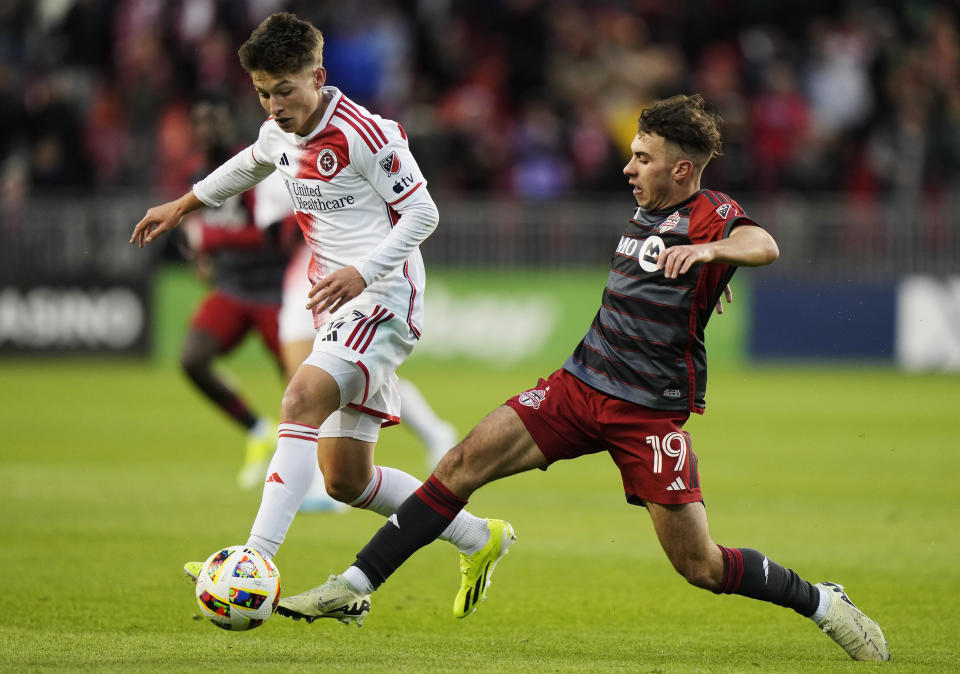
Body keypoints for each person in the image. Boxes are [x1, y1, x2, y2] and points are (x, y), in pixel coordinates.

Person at [276, 95, 890, 663]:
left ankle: (821, 601)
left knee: (699, 564)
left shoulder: (711, 214)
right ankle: (354, 586)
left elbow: (764, 244)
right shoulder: (650, 207)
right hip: (576, 386)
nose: (629, 168)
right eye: (632, 154)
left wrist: (713, 254)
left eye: (643, 158)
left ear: (682, 171)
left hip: (646, 413)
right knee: (461, 463)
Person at [130, 11, 511, 622]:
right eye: (262, 91)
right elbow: (252, 161)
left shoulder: (366, 133)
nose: (274, 104)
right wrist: (184, 204)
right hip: (339, 294)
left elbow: (424, 215)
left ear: (318, 76)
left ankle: (252, 562)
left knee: (299, 399)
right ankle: (478, 537)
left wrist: (362, 272)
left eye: (285, 89)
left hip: (384, 296)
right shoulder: (278, 131)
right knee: (346, 480)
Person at [175, 95, 297, 489]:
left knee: (300, 384)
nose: (208, 128)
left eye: (215, 119)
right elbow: (198, 232)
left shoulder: (254, 166)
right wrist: (201, 255)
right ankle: (259, 429)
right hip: (231, 288)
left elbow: (273, 236)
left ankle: (308, 468)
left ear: (230, 124)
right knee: (193, 359)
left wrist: (211, 238)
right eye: (201, 121)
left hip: (274, 291)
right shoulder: (195, 172)